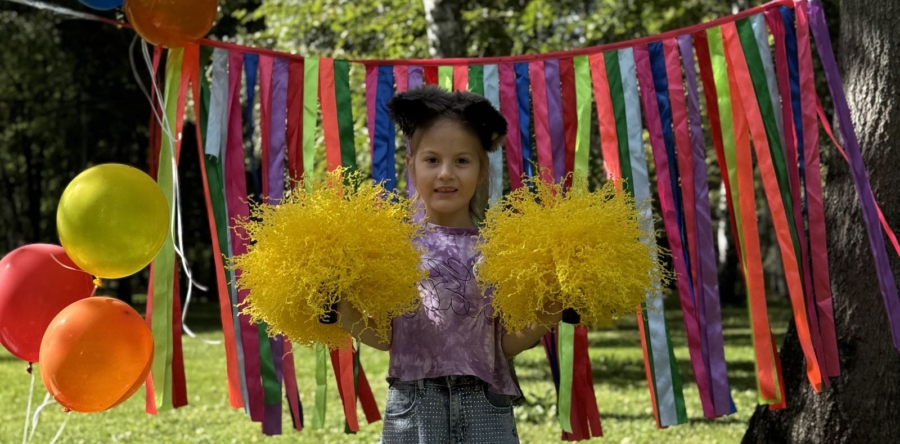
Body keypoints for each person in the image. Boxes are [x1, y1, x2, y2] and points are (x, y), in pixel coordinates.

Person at [334, 85, 561, 443]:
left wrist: (549, 313)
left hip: (486, 404)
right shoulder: (393, 249)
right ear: (411, 166)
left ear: (481, 169)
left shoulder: (502, 249)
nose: (445, 174)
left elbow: (504, 344)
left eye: (462, 161)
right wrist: (343, 308)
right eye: (432, 160)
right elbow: (384, 337)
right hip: (414, 404)